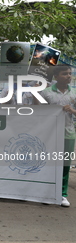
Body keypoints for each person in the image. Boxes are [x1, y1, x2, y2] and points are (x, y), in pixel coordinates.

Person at [34, 65, 76, 207]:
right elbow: (38, 112)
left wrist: (73, 110)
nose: (68, 76)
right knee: (49, 163)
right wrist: (35, 95)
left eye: (70, 73)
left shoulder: (74, 93)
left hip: (68, 134)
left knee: (64, 165)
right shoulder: (46, 93)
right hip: (50, 134)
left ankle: (62, 194)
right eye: (65, 74)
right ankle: (46, 193)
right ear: (56, 76)